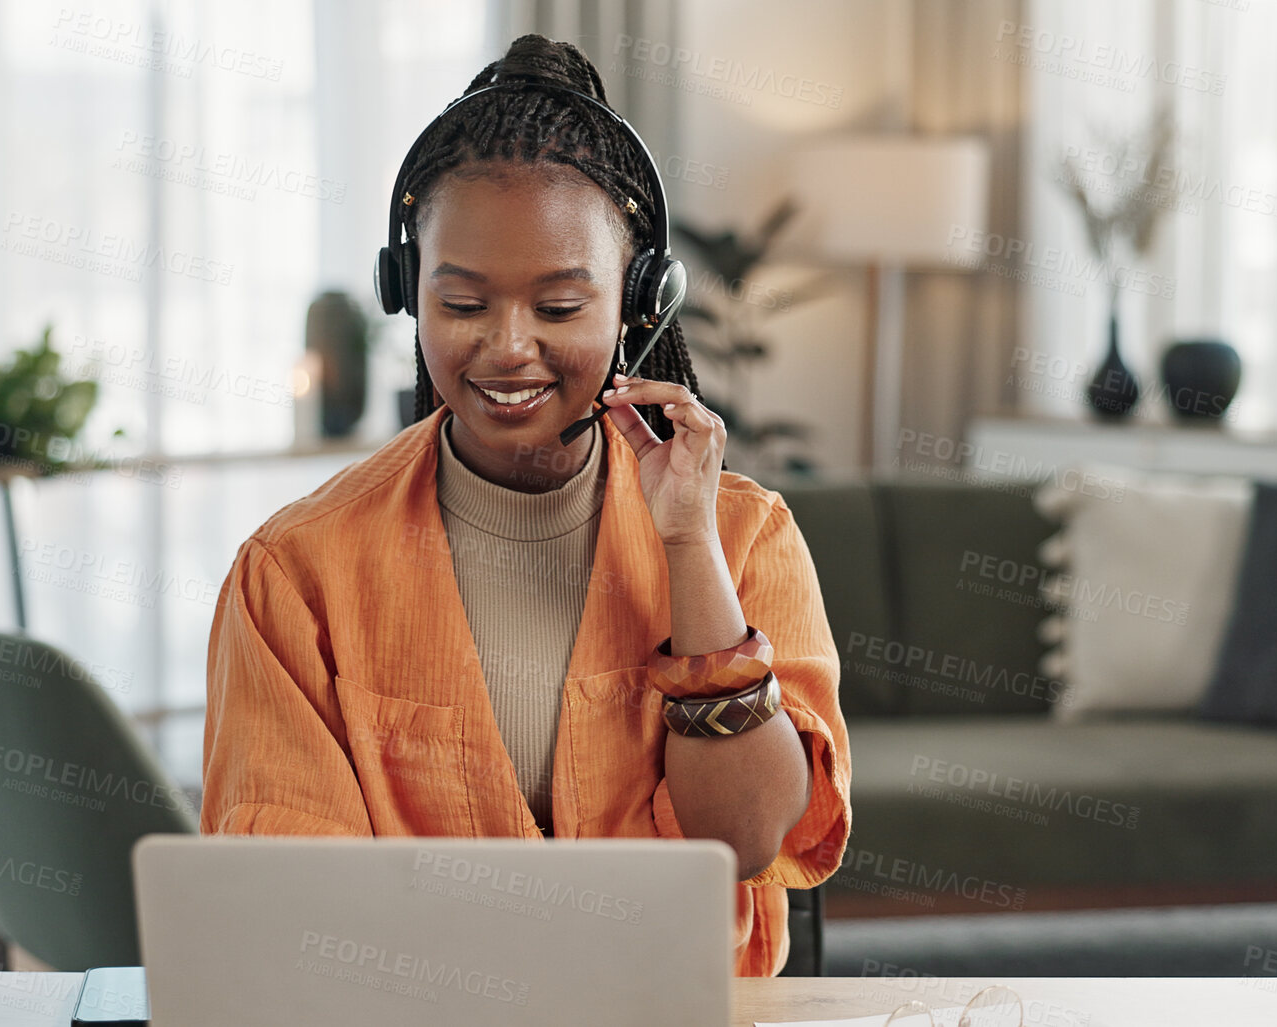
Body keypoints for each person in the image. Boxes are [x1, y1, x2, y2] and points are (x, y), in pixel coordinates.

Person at [202, 33, 850, 978]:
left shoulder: (746, 535)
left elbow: (747, 838)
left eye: (558, 308)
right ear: (406, 295)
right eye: (462, 305)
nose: (508, 348)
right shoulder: (297, 571)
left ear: (636, 305)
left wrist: (686, 546)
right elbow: (297, 909)